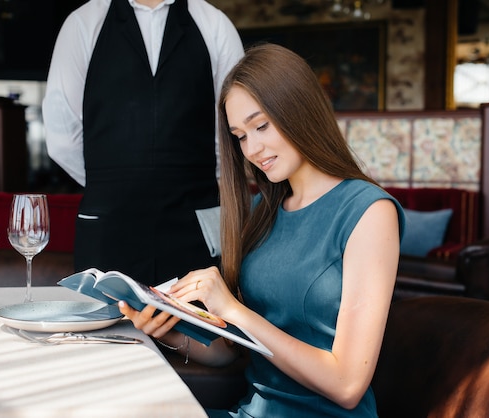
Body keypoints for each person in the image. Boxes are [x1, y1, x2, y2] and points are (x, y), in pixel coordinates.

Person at [119, 43, 405, 417]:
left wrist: (232, 309)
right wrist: (168, 330)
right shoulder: (262, 210)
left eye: (261, 126)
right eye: (240, 136)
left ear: (299, 109)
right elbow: (233, 351)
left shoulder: (369, 211)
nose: (252, 149)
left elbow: (348, 386)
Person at [42, 0, 244, 286]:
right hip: (108, 227)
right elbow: (61, 135)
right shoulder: (83, 23)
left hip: (195, 227)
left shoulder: (215, 25)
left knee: (198, 326)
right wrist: (112, 179)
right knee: (105, 327)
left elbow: (232, 130)